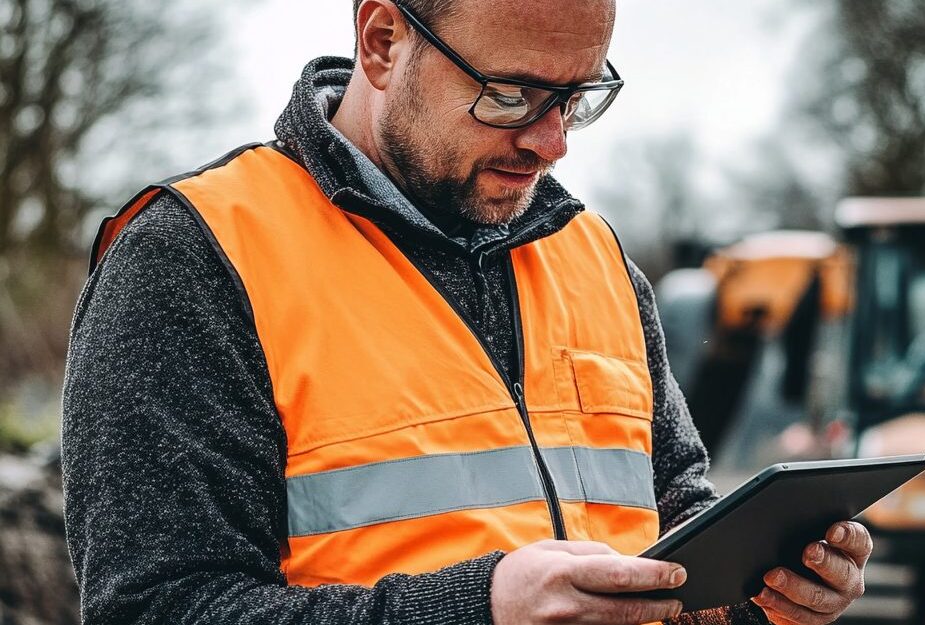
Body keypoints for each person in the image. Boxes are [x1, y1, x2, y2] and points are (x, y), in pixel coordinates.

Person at [61, 1, 872, 624]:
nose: (552, 142)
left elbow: (675, 511)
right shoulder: (192, 260)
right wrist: (477, 606)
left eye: (578, 96)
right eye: (511, 94)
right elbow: (158, 607)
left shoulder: (597, 257)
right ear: (382, 41)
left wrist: (766, 585)